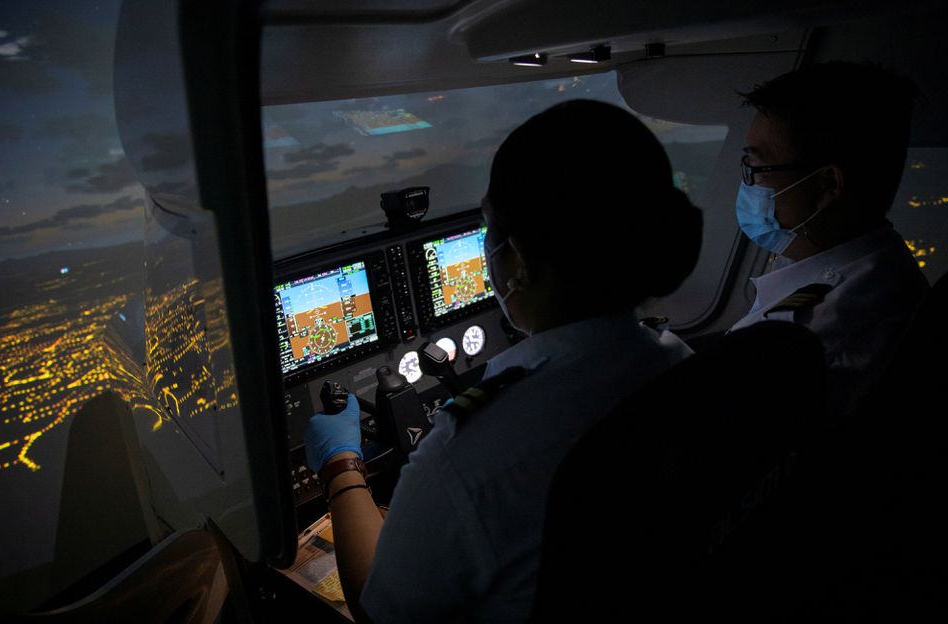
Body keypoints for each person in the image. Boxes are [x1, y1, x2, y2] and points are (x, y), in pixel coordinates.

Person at [302, 99, 702, 623]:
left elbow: (379, 608)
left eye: (488, 224)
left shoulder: (467, 459)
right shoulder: (683, 363)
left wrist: (340, 466)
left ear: (518, 258)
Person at [730, 61, 929, 414]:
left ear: (827, 186)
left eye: (756, 169)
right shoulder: (876, 270)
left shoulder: (817, 333)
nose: (748, 184)